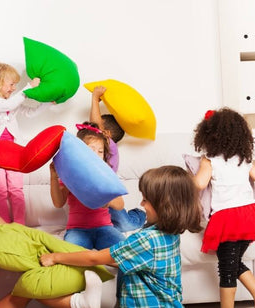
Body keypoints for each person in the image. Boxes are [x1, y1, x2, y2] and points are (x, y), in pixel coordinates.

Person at [41, 165, 202, 307]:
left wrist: (55, 257)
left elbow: (94, 258)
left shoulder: (146, 240)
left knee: (42, 297)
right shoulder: (170, 234)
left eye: (145, 200)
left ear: (165, 206)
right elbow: (130, 260)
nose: (141, 204)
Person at [0, 186, 103, 308]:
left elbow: (2, 229)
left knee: (34, 286)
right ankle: (79, 303)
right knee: (29, 288)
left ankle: (80, 299)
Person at [192, 108, 255, 308]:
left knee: (227, 268)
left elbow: (199, 184)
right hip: (249, 215)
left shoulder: (209, 160)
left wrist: (191, 177)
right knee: (233, 262)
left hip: (227, 217)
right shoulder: (244, 159)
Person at [0, 62, 47, 225]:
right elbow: (8, 105)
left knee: (16, 189)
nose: (13, 89)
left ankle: (19, 225)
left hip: (13, 152)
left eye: (15, 86)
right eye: (11, 85)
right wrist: (27, 88)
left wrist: (47, 104)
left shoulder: (13, 101)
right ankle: (3, 224)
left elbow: (29, 112)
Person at [50, 121, 126, 250]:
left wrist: (105, 200)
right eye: (91, 150)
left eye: (100, 151)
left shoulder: (106, 174)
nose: (96, 155)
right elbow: (58, 203)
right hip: (77, 230)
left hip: (105, 228)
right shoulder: (71, 174)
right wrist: (53, 177)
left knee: (125, 252)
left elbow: (120, 205)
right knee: (71, 257)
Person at [89, 85, 146, 232]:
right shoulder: (89, 146)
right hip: (94, 194)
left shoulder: (111, 146)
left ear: (106, 134)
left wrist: (95, 98)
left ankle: (139, 214)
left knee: (126, 225)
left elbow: (96, 127)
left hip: (108, 193)